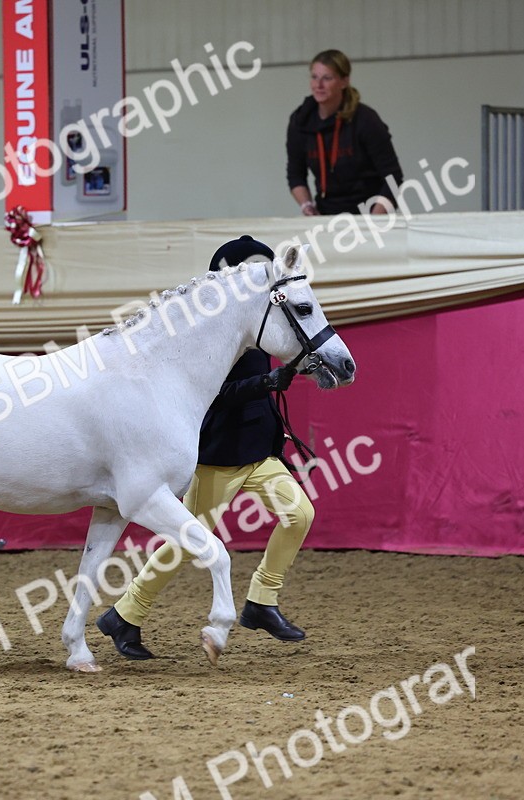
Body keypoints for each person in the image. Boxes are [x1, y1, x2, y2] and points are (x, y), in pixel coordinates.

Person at [96, 235, 316, 660]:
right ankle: (125, 614)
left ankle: (261, 601)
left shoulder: (260, 322)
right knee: (184, 542)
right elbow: (211, 394)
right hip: (220, 453)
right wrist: (264, 383)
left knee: (300, 514)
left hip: (259, 451)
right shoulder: (207, 331)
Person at [287, 49, 403, 217]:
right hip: (326, 214)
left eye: (327, 78)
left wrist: (374, 220)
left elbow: (393, 177)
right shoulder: (300, 122)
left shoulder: (365, 120)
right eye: (314, 77)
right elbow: (295, 174)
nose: (318, 85)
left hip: (369, 210)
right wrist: (307, 206)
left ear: (344, 81)